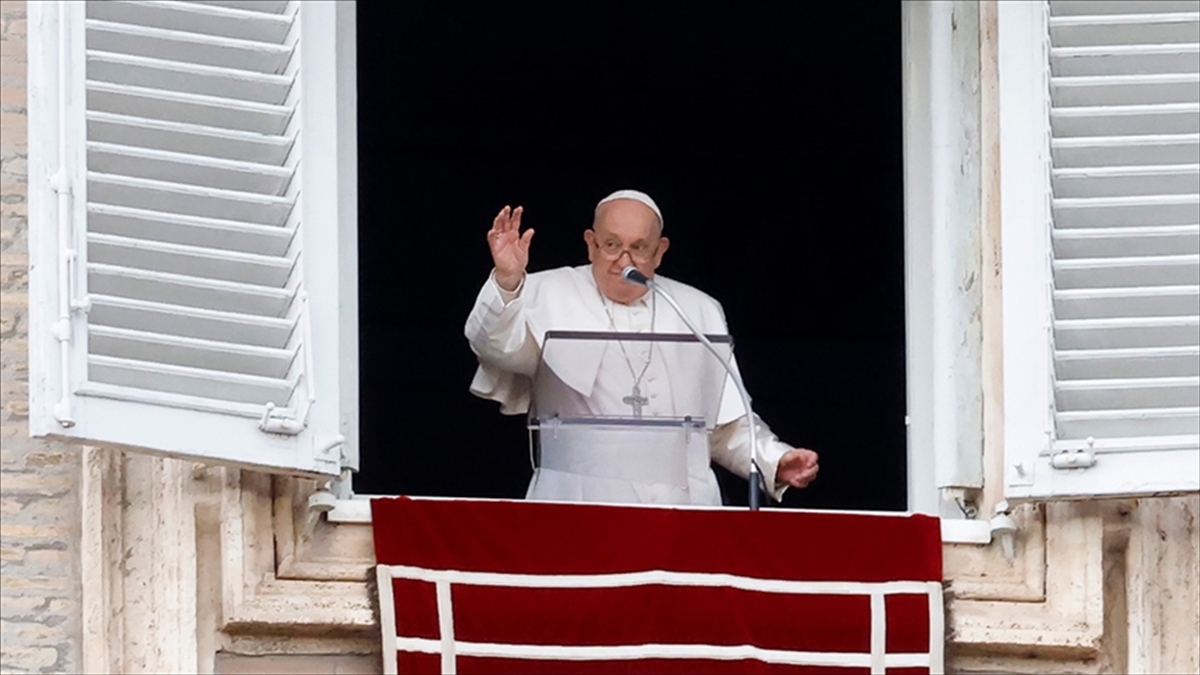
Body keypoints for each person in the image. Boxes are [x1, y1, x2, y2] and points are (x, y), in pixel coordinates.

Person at [465, 189, 819, 506]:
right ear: (590, 243)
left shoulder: (696, 309)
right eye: (611, 245)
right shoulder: (546, 292)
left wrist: (774, 459)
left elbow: (723, 424)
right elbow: (494, 346)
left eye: (639, 248)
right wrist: (508, 281)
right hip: (578, 504)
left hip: (684, 508)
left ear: (660, 251)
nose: (624, 260)